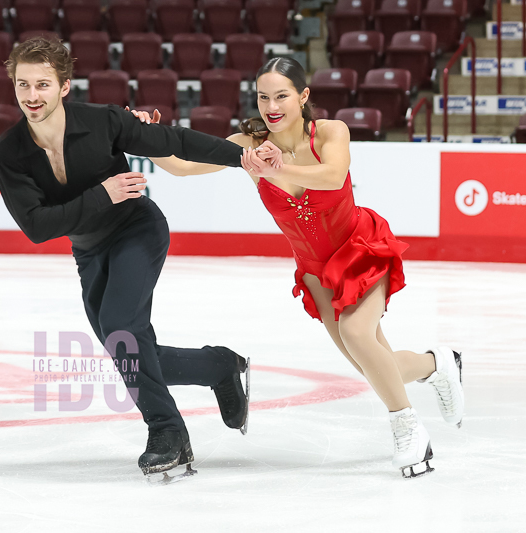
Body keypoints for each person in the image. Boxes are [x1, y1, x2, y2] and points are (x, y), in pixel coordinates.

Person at [130, 57, 465, 479]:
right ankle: (438, 365)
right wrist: (143, 134)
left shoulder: (329, 132)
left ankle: (408, 428)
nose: (272, 105)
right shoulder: (246, 145)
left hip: (360, 248)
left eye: (282, 95)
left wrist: (277, 167)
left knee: (357, 334)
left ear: (303, 96)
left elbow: (332, 174)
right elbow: (182, 165)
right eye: (263, 96)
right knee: (373, 363)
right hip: (315, 270)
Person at [0, 38, 281, 482]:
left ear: (64, 86)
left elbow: (176, 140)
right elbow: (37, 226)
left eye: (43, 84)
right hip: (88, 249)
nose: (32, 96)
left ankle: (167, 433)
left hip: (136, 230)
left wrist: (241, 157)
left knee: (123, 328)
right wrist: (101, 194)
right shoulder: (8, 152)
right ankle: (219, 365)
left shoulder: (104, 121)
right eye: (23, 84)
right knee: (127, 352)